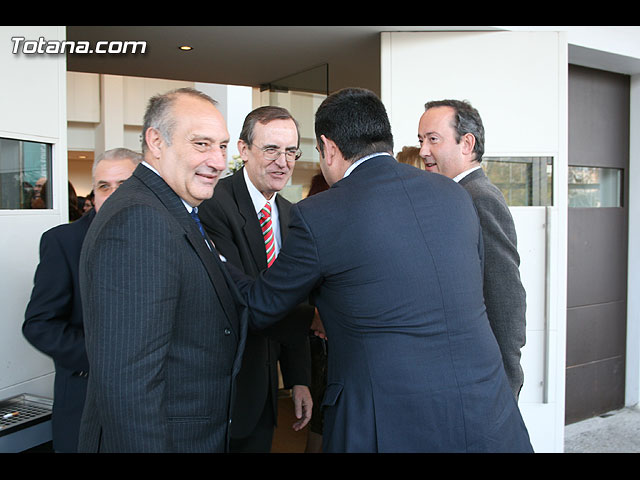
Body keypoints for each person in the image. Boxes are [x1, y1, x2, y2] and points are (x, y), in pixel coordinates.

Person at [231, 87, 533, 453]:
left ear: (328, 147)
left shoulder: (320, 214)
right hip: (485, 417)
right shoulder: (454, 195)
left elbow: (261, 306)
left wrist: (212, 256)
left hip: (386, 424)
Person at [77, 88, 249, 453]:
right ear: (156, 141)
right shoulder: (141, 220)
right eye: (201, 144)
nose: (218, 161)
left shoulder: (171, 210)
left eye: (222, 146)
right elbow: (129, 383)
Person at [198, 106, 314, 452]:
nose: (283, 162)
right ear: (244, 149)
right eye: (271, 150)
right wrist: (314, 320)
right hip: (223, 394)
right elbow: (240, 300)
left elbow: (295, 297)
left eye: (291, 151)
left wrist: (298, 379)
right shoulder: (213, 204)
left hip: (264, 396)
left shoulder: (293, 215)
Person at [22, 147, 141, 453]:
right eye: (103, 186)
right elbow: (40, 325)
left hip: (150, 409)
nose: (112, 195)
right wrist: (105, 359)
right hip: (85, 401)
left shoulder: (167, 237)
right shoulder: (64, 242)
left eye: (123, 185)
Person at [418, 99, 527, 399]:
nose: (423, 151)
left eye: (433, 139)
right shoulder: (453, 195)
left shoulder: (479, 198)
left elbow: (505, 297)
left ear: (467, 144)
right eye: (421, 140)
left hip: (481, 382)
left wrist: (506, 383)